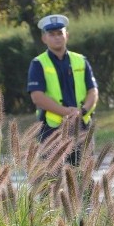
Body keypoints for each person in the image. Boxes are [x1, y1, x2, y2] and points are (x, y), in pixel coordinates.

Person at [27, 14, 99, 166]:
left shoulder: (81, 60)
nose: (57, 37)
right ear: (44, 38)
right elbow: (37, 97)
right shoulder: (38, 63)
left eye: (60, 33)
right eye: (51, 34)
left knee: (83, 176)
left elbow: (93, 91)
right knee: (53, 177)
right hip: (53, 129)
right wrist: (66, 112)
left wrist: (83, 110)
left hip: (82, 127)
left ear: (67, 35)